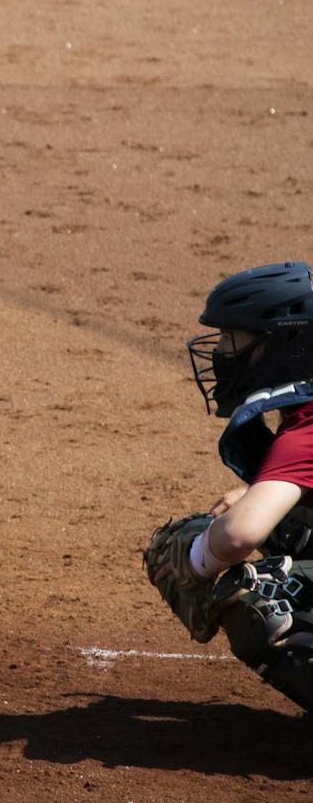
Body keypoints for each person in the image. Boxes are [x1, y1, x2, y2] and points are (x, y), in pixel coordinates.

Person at [145, 261, 313, 712]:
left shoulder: (307, 428)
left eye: (232, 338)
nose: (220, 352)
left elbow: (240, 535)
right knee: (296, 523)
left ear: (282, 343)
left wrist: (196, 559)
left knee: (260, 601)